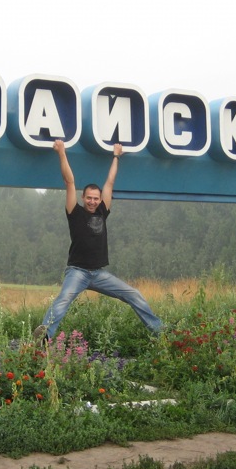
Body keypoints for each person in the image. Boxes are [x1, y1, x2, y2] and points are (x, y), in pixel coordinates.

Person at [34, 139, 163, 344]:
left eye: (96, 198)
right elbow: (69, 181)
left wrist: (116, 156)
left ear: (99, 199)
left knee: (134, 294)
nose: (93, 201)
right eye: (89, 198)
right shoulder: (74, 212)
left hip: (99, 274)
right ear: (83, 198)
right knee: (63, 300)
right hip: (77, 272)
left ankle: (162, 333)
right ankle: (43, 338)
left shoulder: (103, 212)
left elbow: (110, 183)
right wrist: (61, 152)